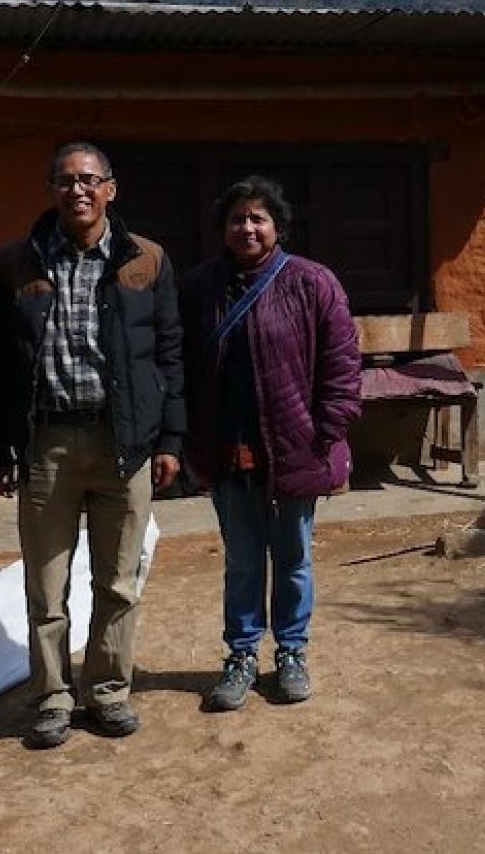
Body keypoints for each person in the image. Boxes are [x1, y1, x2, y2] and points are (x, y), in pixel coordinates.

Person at [0, 141, 184, 749]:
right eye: (66, 180)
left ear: (111, 189)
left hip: (122, 443)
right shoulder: (14, 263)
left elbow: (170, 352)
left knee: (118, 581)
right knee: (47, 587)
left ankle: (107, 691)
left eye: (90, 180)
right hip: (46, 443)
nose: (79, 190)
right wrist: (1, 447)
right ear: (52, 189)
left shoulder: (146, 259)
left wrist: (170, 438)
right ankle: (51, 697)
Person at [180, 175, 361, 712]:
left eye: (259, 217)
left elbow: (342, 364)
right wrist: (188, 439)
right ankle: (240, 656)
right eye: (238, 218)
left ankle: (291, 652)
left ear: (279, 226)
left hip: (293, 449)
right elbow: (179, 365)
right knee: (241, 560)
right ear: (224, 228)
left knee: (294, 557)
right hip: (228, 447)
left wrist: (325, 434)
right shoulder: (199, 287)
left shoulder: (312, 283)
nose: (248, 227)